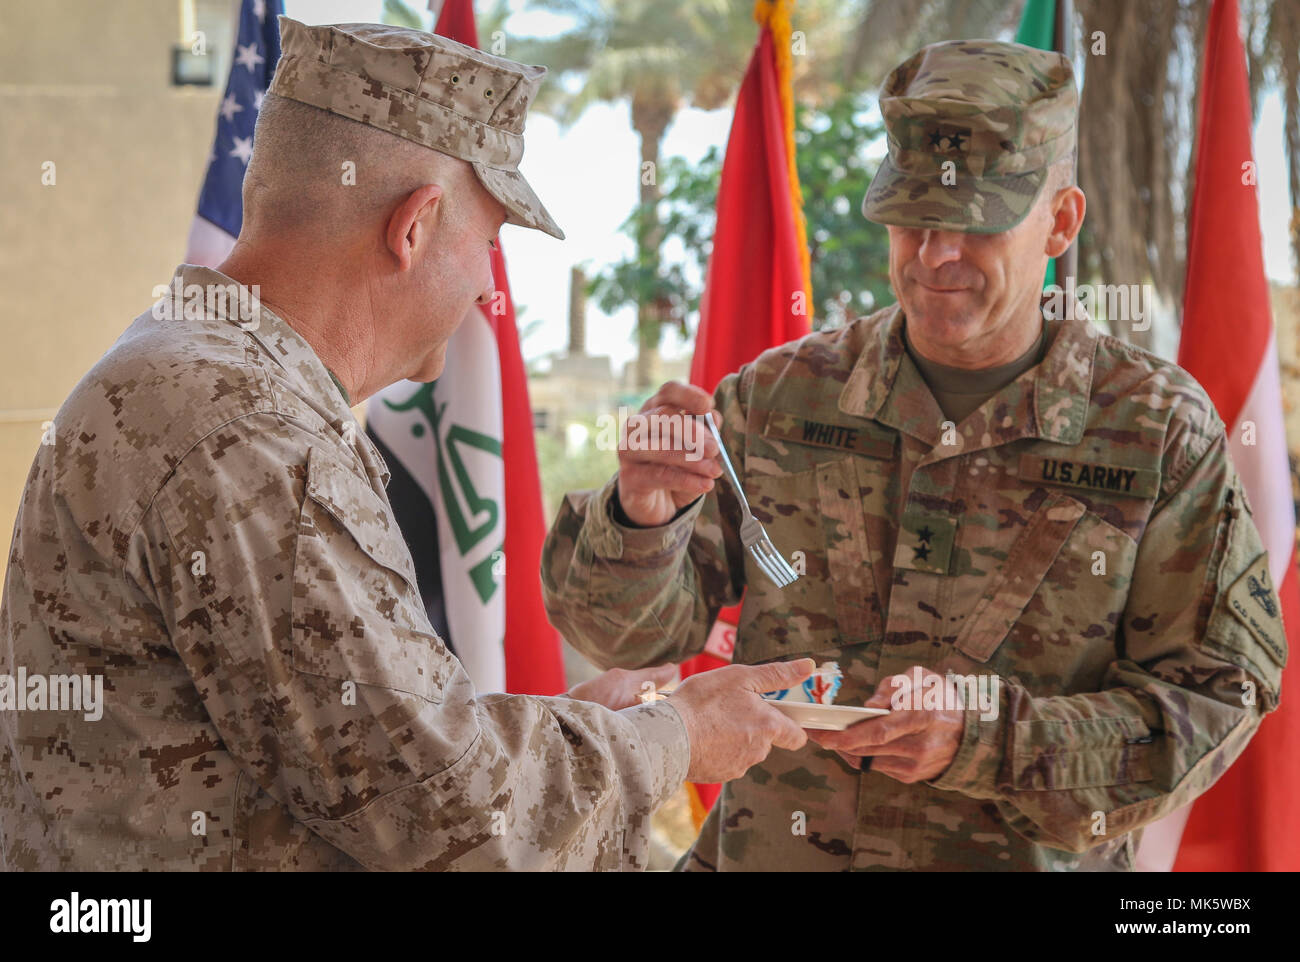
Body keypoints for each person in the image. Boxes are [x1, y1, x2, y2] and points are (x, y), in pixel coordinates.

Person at [0, 18, 815, 872]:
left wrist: (607, 729)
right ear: (415, 225)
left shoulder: (204, 375)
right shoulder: (246, 426)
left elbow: (356, 754)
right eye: (490, 242)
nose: (487, 286)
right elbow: (450, 818)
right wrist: (677, 736)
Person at [541, 39, 1287, 871]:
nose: (937, 255)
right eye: (916, 216)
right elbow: (623, 634)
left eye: (976, 223)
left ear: (1061, 221)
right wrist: (644, 514)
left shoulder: (1154, 430)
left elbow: (1217, 697)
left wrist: (988, 741)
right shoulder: (781, 397)